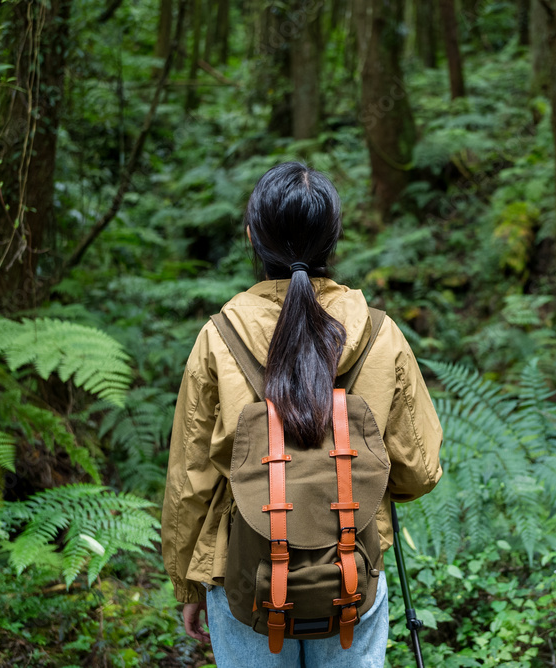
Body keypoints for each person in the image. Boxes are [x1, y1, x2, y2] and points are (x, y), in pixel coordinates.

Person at [160, 161, 444, 667]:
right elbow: (418, 472)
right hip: (353, 569)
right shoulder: (381, 334)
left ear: (253, 235)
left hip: (243, 574)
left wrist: (189, 583)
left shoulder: (219, 338)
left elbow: (191, 480)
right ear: (333, 241)